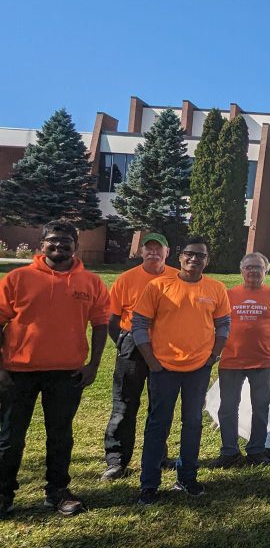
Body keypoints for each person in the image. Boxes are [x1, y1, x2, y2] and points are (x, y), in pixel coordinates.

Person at [0, 221, 109, 517]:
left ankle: (57, 492)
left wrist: (94, 364)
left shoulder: (91, 282)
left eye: (66, 242)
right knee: (10, 436)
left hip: (67, 372)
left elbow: (100, 324)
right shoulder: (17, 278)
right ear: (41, 245)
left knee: (60, 435)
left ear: (76, 246)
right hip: (17, 371)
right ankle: (3, 494)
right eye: (53, 241)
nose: (59, 247)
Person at [132, 236, 231, 505]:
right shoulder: (159, 286)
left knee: (193, 424)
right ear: (180, 256)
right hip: (163, 368)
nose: (194, 259)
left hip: (198, 368)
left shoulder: (216, 288)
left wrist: (213, 355)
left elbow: (223, 325)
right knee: (157, 425)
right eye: (190, 254)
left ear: (207, 260)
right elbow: (138, 325)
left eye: (200, 255)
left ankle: (187, 477)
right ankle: (149, 484)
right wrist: (152, 361)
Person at [101, 232, 179, 481]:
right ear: (141, 252)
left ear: (167, 253)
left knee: (161, 405)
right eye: (149, 248)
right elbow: (113, 320)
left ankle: (158, 454)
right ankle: (117, 460)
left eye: (159, 248)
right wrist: (124, 344)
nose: (153, 253)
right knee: (125, 403)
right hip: (132, 344)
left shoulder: (177, 277)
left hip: (166, 345)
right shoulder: (127, 279)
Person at [213, 252, 270, 468]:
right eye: (249, 267)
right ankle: (229, 451)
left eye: (258, 267)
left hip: (262, 361)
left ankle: (256, 450)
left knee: (260, 407)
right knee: (228, 407)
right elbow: (218, 325)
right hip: (231, 360)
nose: (253, 271)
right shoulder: (228, 295)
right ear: (241, 270)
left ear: (266, 271)